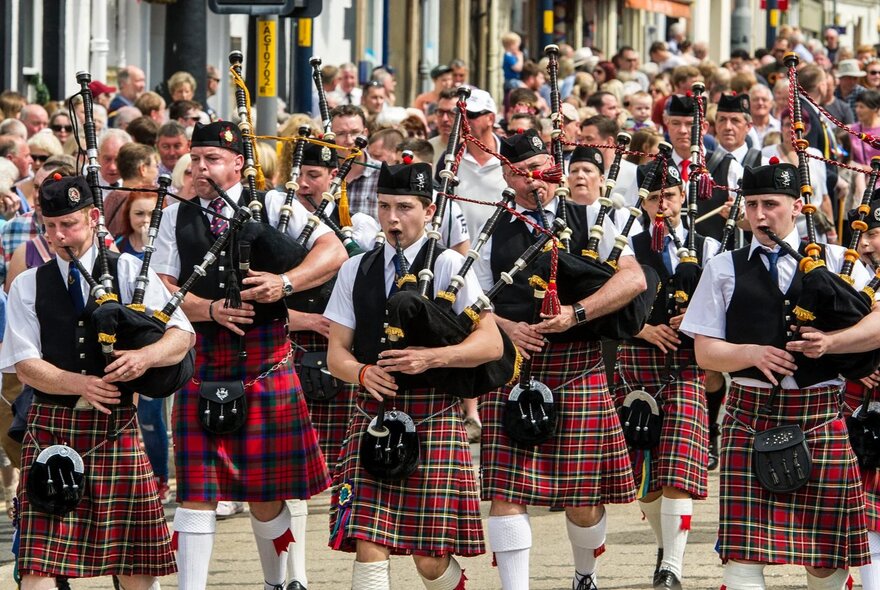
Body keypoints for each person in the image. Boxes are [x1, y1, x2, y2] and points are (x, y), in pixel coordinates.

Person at [152, 121, 344, 589]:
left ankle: (278, 582)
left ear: (238, 163)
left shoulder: (275, 203)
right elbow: (161, 285)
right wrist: (209, 309)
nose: (200, 168)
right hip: (204, 359)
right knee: (195, 491)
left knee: (267, 494)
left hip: (265, 361)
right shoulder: (176, 215)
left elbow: (334, 250)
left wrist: (287, 283)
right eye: (195, 159)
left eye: (211, 159)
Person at [680, 161, 871, 590]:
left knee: (826, 557)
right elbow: (704, 351)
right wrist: (748, 353)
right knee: (743, 557)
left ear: (797, 207)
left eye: (771, 204)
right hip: (750, 415)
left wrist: (831, 344)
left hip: (821, 417)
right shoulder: (724, 267)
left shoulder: (840, 260)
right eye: (752, 205)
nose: (760, 215)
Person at [1, 173, 194, 588]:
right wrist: (80, 383)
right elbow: (24, 364)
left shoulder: (128, 272)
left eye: (67, 224)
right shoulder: (28, 285)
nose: (57, 235)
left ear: (92, 218)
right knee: (39, 565)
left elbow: (181, 335)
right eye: (49, 226)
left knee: (135, 564)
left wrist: (145, 357)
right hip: (53, 428)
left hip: (116, 427)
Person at [475, 129, 645, 590]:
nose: (536, 182)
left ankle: (584, 575)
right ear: (508, 176)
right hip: (513, 368)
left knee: (584, 498)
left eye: (543, 171)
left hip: (578, 365)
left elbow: (633, 281)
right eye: (523, 174)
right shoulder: (491, 225)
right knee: (506, 492)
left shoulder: (595, 214)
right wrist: (507, 329)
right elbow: (470, 296)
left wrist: (577, 313)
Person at [325, 161, 501, 589]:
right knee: (369, 541)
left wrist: (432, 358)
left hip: (433, 413)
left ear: (429, 209)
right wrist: (363, 373)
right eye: (384, 206)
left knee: (429, 557)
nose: (391, 219)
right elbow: (336, 354)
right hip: (374, 415)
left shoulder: (448, 266)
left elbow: (491, 345)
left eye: (404, 207)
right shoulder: (356, 269)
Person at [615, 160, 719, 590]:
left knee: (677, 469)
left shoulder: (709, 247)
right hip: (637, 365)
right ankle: (666, 547)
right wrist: (642, 328)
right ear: (643, 202)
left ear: (683, 198)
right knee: (646, 480)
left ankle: (670, 568)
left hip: (688, 366)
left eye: (670, 197)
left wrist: (696, 322)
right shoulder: (625, 248)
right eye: (655, 198)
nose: (663, 206)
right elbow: (605, 303)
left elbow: (726, 307)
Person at [329, 105, 380, 219]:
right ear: (330, 137)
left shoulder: (382, 174)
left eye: (355, 132)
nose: (349, 140)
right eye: (341, 133)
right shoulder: (323, 174)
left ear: (365, 133)